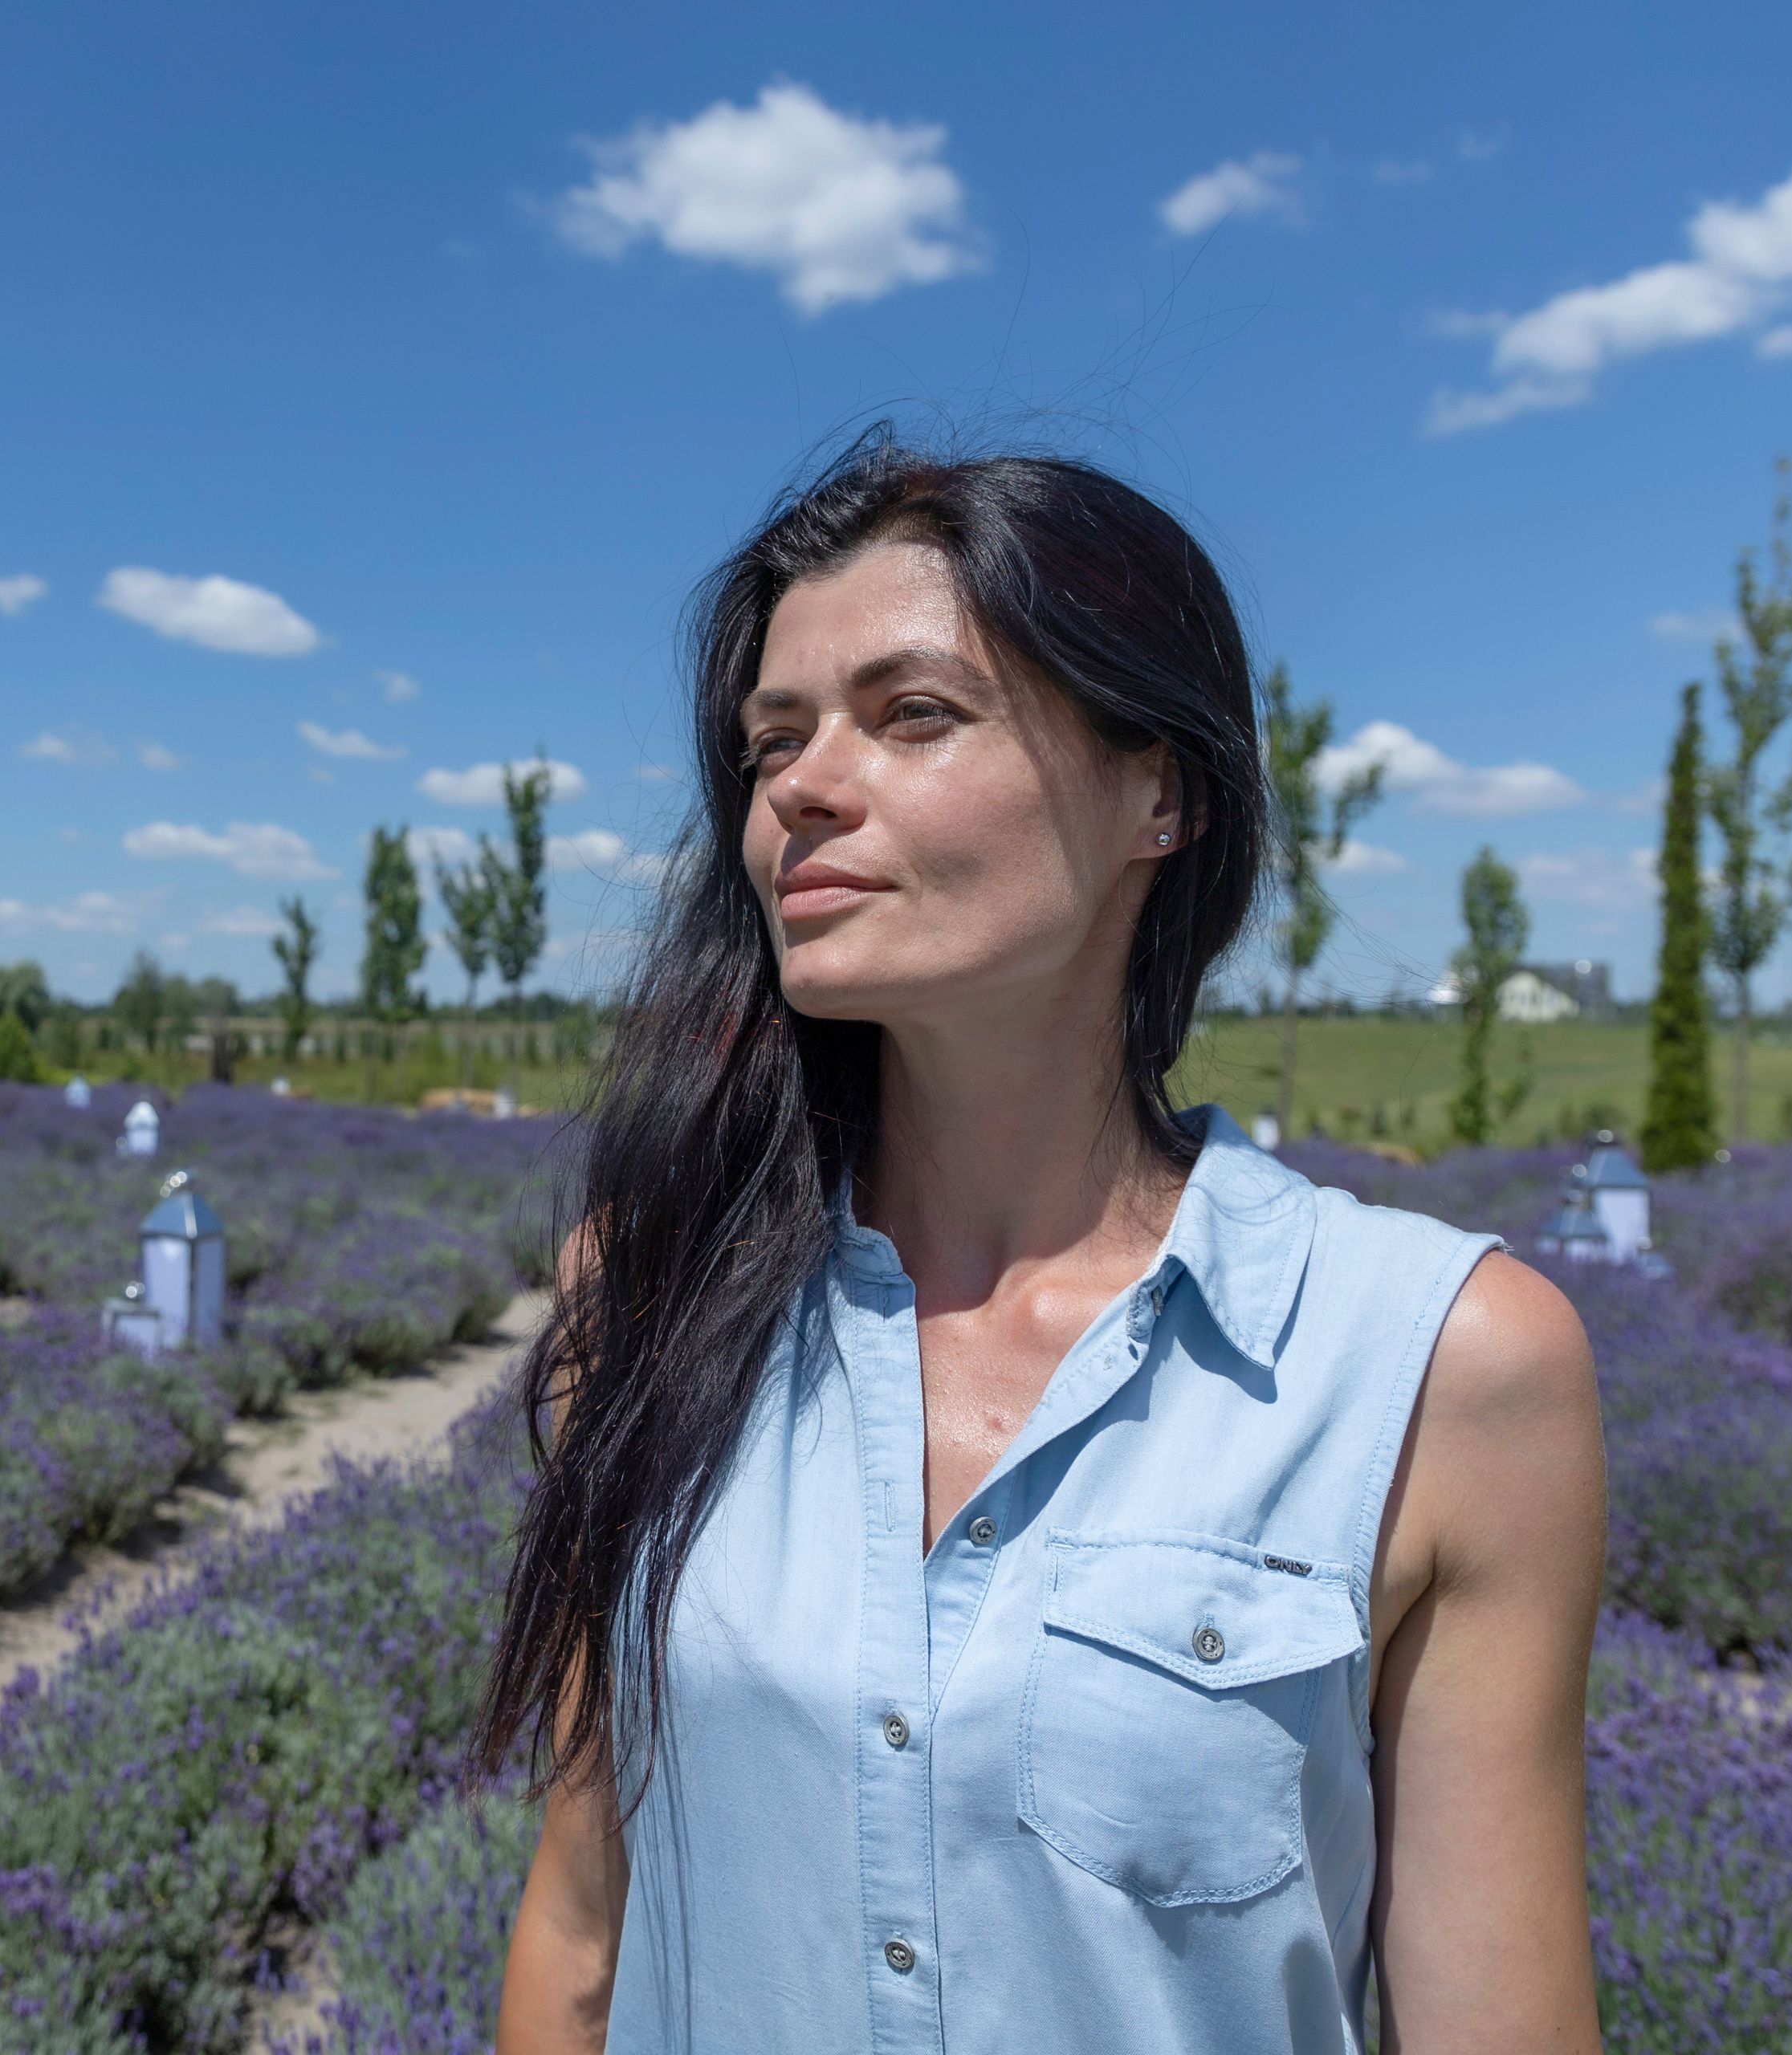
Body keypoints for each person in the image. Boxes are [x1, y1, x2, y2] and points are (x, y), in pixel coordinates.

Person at [482, 439, 1603, 2054]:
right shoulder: (648, 1293)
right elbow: (581, 1932)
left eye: (913, 711)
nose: (798, 784)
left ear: (1165, 789)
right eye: (771, 739)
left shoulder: (1444, 1374)